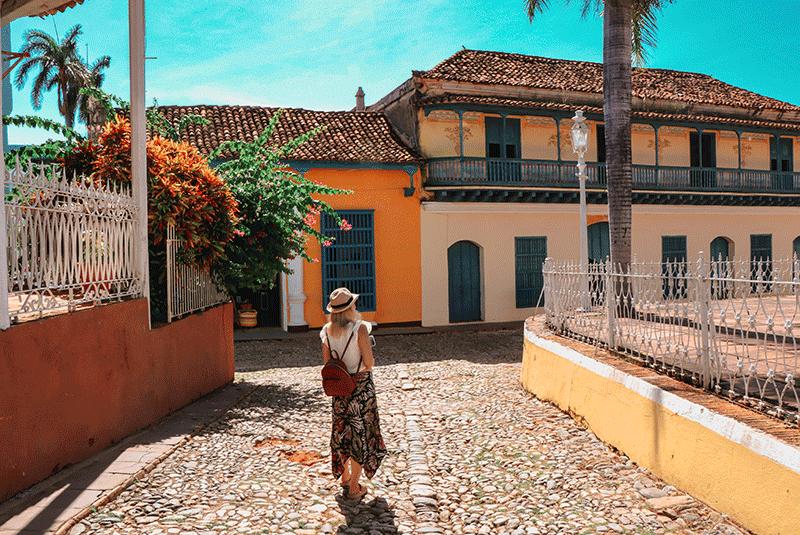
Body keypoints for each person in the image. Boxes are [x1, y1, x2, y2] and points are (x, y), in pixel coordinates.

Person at [320, 287, 387, 500]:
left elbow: (327, 362)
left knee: (343, 432)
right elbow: (369, 362)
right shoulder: (360, 329)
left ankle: (346, 477)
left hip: (339, 388)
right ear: (351, 307)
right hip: (361, 388)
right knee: (361, 434)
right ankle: (355, 488)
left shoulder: (326, 331)